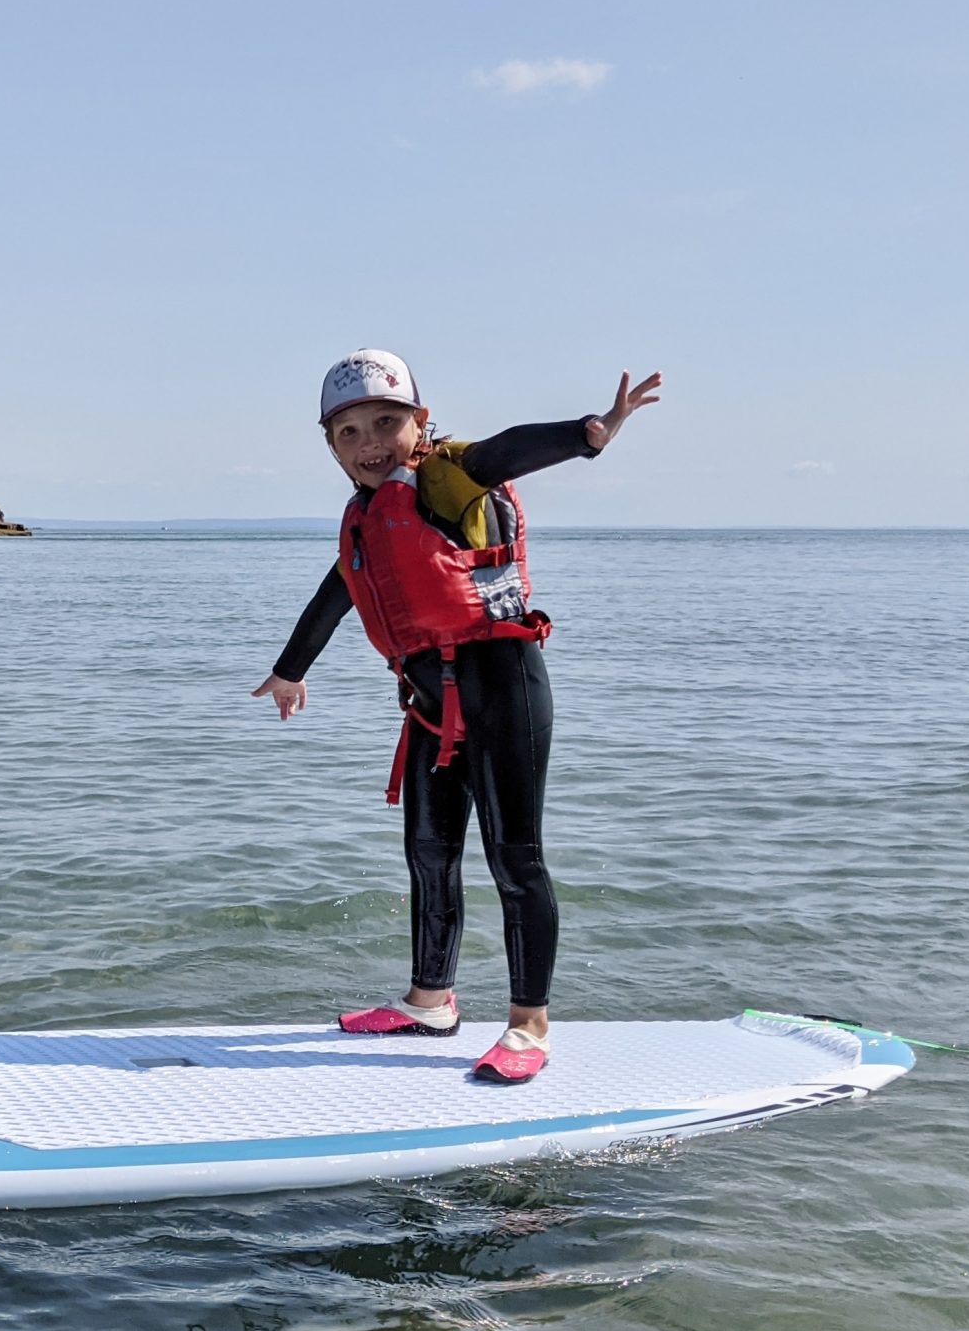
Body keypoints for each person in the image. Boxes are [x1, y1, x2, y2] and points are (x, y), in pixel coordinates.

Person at [252, 350, 662, 1084]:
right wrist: (290, 671)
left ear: (421, 421)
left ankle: (529, 1025)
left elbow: (508, 449)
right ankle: (431, 1000)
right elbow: (337, 593)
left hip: (503, 687)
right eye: (348, 432)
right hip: (428, 703)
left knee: (514, 858)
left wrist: (589, 432)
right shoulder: (366, 518)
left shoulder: (448, 474)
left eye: (386, 422)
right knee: (429, 852)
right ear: (331, 447)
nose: (370, 442)